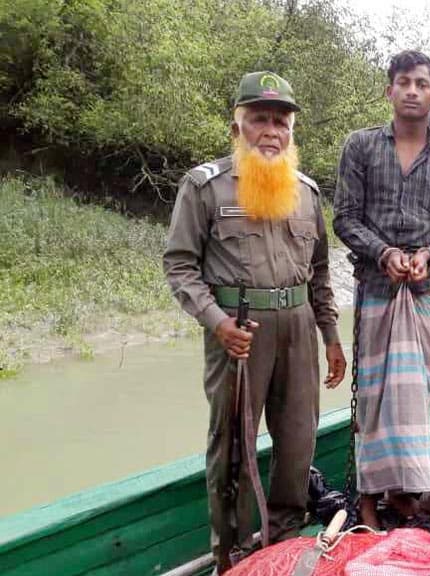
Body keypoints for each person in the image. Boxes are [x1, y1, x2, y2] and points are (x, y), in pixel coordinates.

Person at [163, 71, 346, 572]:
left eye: (280, 121)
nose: (271, 131)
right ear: (237, 127)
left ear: (291, 130)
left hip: (299, 329)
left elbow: (322, 272)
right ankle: (233, 555)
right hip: (238, 333)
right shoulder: (204, 186)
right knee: (233, 449)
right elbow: (179, 264)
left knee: (297, 442)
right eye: (259, 119)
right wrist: (217, 321)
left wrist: (331, 337)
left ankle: (285, 546)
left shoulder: (306, 193)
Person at [334, 50, 430, 528]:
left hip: (427, 288)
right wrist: (385, 253)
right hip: (376, 285)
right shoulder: (361, 147)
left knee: (415, 394)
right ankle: (369, 498)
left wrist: (427, 254)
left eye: (421, 84)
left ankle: (403, 490)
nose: (412, 91)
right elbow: (345, 219)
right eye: (403, 82)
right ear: (389, 90)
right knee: (372, 394)